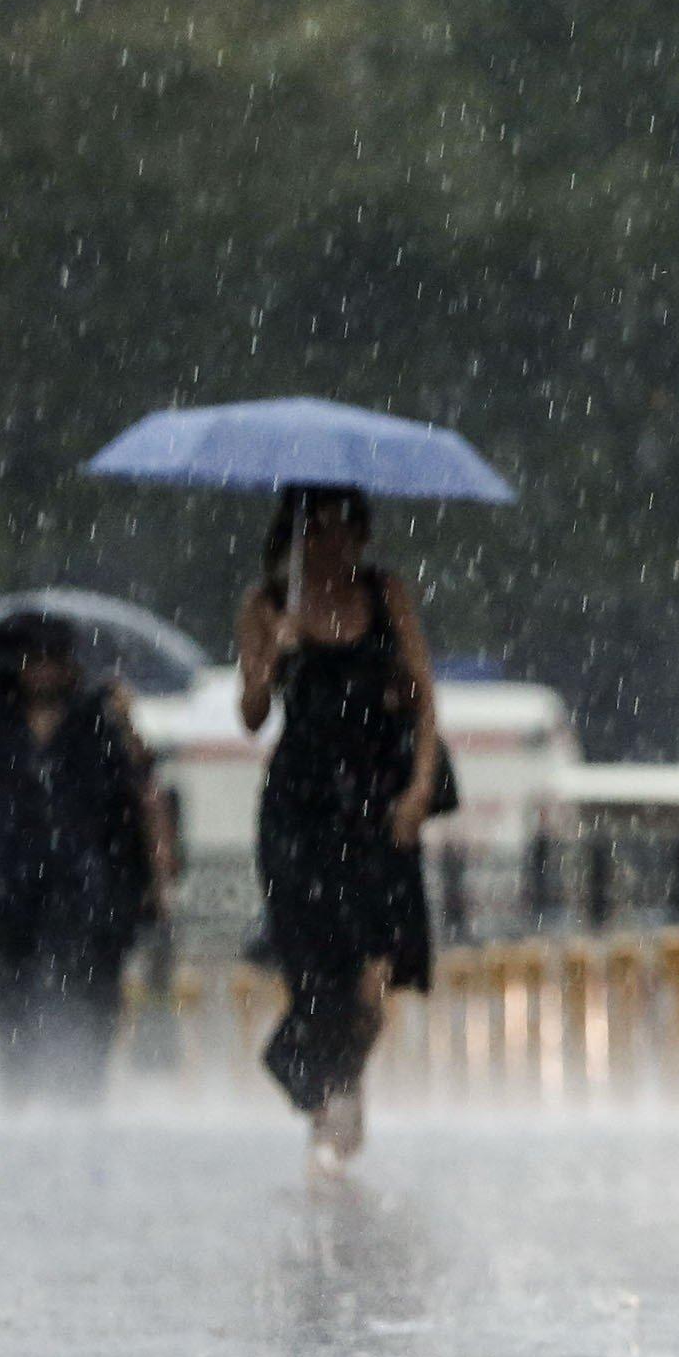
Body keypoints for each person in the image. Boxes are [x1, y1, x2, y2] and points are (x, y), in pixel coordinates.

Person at [232, 486, 439, 1173]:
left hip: (376, 803)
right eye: (315, 531)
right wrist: (276, 652)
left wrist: (417, 789)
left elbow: (424, 697)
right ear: (294, 537)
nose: (330, 546)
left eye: (344, 531)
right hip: (299, 807)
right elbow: (252, 713)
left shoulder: (386, 595)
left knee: (376, 969)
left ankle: (320, 1075)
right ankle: (331, 1104)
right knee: (315, 965)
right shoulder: (266, 604)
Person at [0, 613, 172, 1106]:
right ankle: (18, 1086)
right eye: (34, 659)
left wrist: (158, 877)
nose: (44, 670)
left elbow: (143, 786)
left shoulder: (100, 714)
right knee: (13, 985)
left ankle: (83, 1089)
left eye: (55, 658)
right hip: (12, 874)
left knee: (92, 984)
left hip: (91, 875)